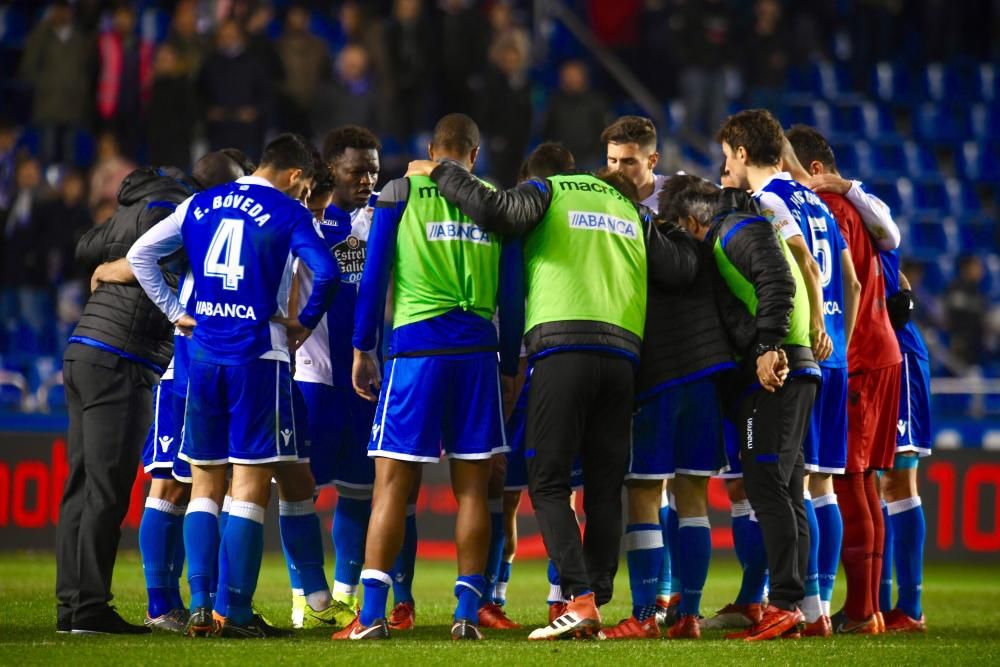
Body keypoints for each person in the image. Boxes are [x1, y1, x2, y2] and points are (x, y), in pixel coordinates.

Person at [411, 132, 698, 641]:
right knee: (607, 486)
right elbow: (680, 268)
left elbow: (495, 210)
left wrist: (440, 171)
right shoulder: (628, 207)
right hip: (623, 358)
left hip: (564, 348)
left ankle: (579, 597)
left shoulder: (549, 192)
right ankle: (597, 595)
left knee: (547, 481)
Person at [127, 134, 339, 639]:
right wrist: (304, 323)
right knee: (246, 488)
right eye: (304, 184)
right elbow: (326, 271)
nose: (303, 192)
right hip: (257, 357)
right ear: (292, 175)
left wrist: (179, 314)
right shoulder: (288, 213)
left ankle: (199, 603)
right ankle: (234, 610)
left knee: (203, 485)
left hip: (200, 358)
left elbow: (140, 256)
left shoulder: (201, 204)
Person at [338, 114, 521, 641]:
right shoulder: (497, 202)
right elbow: (512, 295)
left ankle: (372, 616)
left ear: (431, 149)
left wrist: (362, 348)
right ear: (474, 154)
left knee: (393, 485)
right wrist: (508, 366)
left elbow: (373, 279)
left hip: (416, 351)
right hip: (477, 354)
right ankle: (467, 613)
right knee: (472, 490)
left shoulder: (399, 192)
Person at [56, 151, 244, 635]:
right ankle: (90, 608)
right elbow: (141, 261)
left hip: (85, 349)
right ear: (218, 188)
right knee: (106, 488)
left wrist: (116, 262)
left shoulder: (136, 207)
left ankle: (72, 605)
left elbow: (86, 248)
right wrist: (130, 264)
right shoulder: (189, 215)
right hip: (122, 355)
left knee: (81, 485)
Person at [604, 175, 735, 641]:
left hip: (659, 381)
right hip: (708, 381)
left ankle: (642, 616)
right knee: (693, 498)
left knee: (642, 493)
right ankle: (689, 615)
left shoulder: (645, 241)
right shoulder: (716, 251)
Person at [787, 125, 903, 635]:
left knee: (849, 481)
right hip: (881, 354)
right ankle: (870, 606)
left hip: (857, 357)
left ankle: (861, 609)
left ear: (815, 171)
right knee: (864, 483)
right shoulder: (858, 211)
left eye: (791, 170)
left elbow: (841, 285)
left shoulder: (829, 211)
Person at [705, 181, 820, 642]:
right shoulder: (764, 227)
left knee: (768, 485)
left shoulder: (735, 229)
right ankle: (792, 605)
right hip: (799, 363)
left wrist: (768, 345)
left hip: (778, 368)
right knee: (789, 489)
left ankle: (785, 603)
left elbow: (779, 281)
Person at [288, 126, 389, 630]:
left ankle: (346, 597)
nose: (368, 179)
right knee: (299, 489)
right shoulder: (306, 222)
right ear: (332, 171)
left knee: (359, 489)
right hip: (313, 377)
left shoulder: (383, 224)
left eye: (374, 169)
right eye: (357, 171)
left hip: (366, 381)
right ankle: (306, 594)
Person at [879, 251, 932, 633]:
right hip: (874, 361)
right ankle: (877, 603)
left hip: (901, 357)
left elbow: (904, 292)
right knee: (878, 482)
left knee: (899, 479)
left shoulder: (865, 224)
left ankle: (910, 607)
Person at [602, 116, 668, 213]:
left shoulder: (677, 196)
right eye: (612, 160)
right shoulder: (597, 197)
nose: (618, 169)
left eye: (628, 162)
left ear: (652, 161)